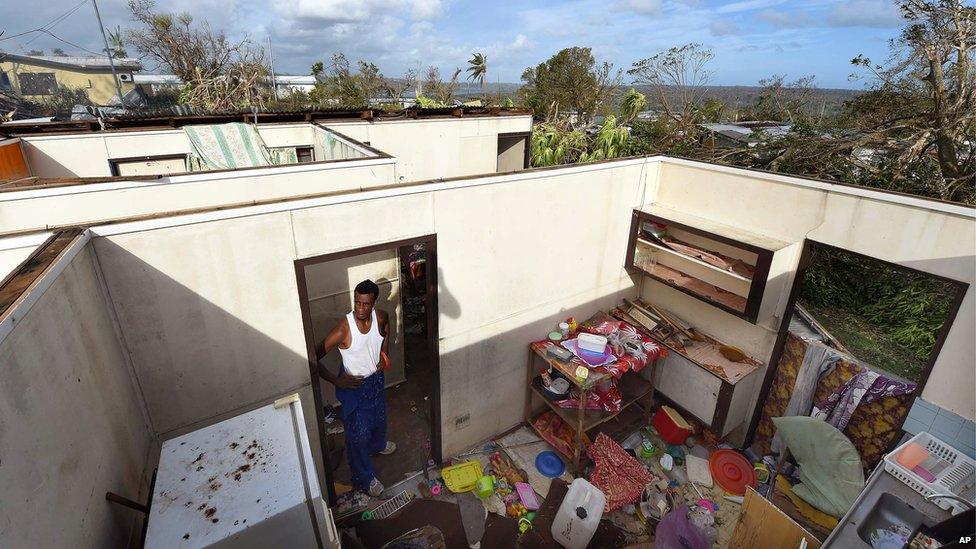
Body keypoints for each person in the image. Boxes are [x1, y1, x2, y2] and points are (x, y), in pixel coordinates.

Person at [316, 279, 396, 497]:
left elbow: (386, 330)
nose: (360, 308)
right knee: (357, 436)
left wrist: (384, 355)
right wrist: (337, 380)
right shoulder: (344, 328)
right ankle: (364, 478)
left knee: (379, 419)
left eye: (365, 304)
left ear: (373, 303)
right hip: (356, 387)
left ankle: (378, 445)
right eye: (357, 303)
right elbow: (313, 357)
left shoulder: (380, 316)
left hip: (375, 382)